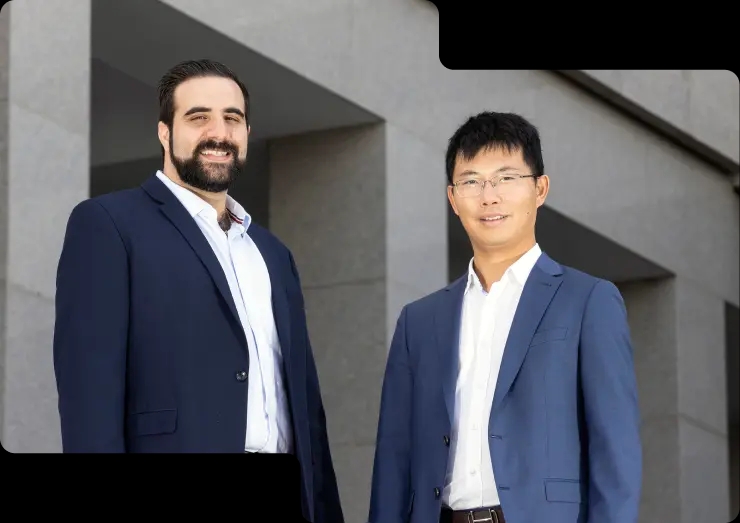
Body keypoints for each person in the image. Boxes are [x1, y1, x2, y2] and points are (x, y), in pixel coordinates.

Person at [53, 59, 344, 523]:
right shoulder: (109, 225)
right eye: (198, 117)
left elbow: (306, 408)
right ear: (165, 132)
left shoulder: (272, 253)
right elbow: (89, 397)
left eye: (232, 118)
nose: (219, 132)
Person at [368, 111, 642, 523]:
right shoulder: (419, 322)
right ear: (452, 198)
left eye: (506, 178)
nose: (488, 196)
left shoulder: (589, 301)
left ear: (540, 189)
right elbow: (393, 460)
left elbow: (616, 453)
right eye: (471, 181)